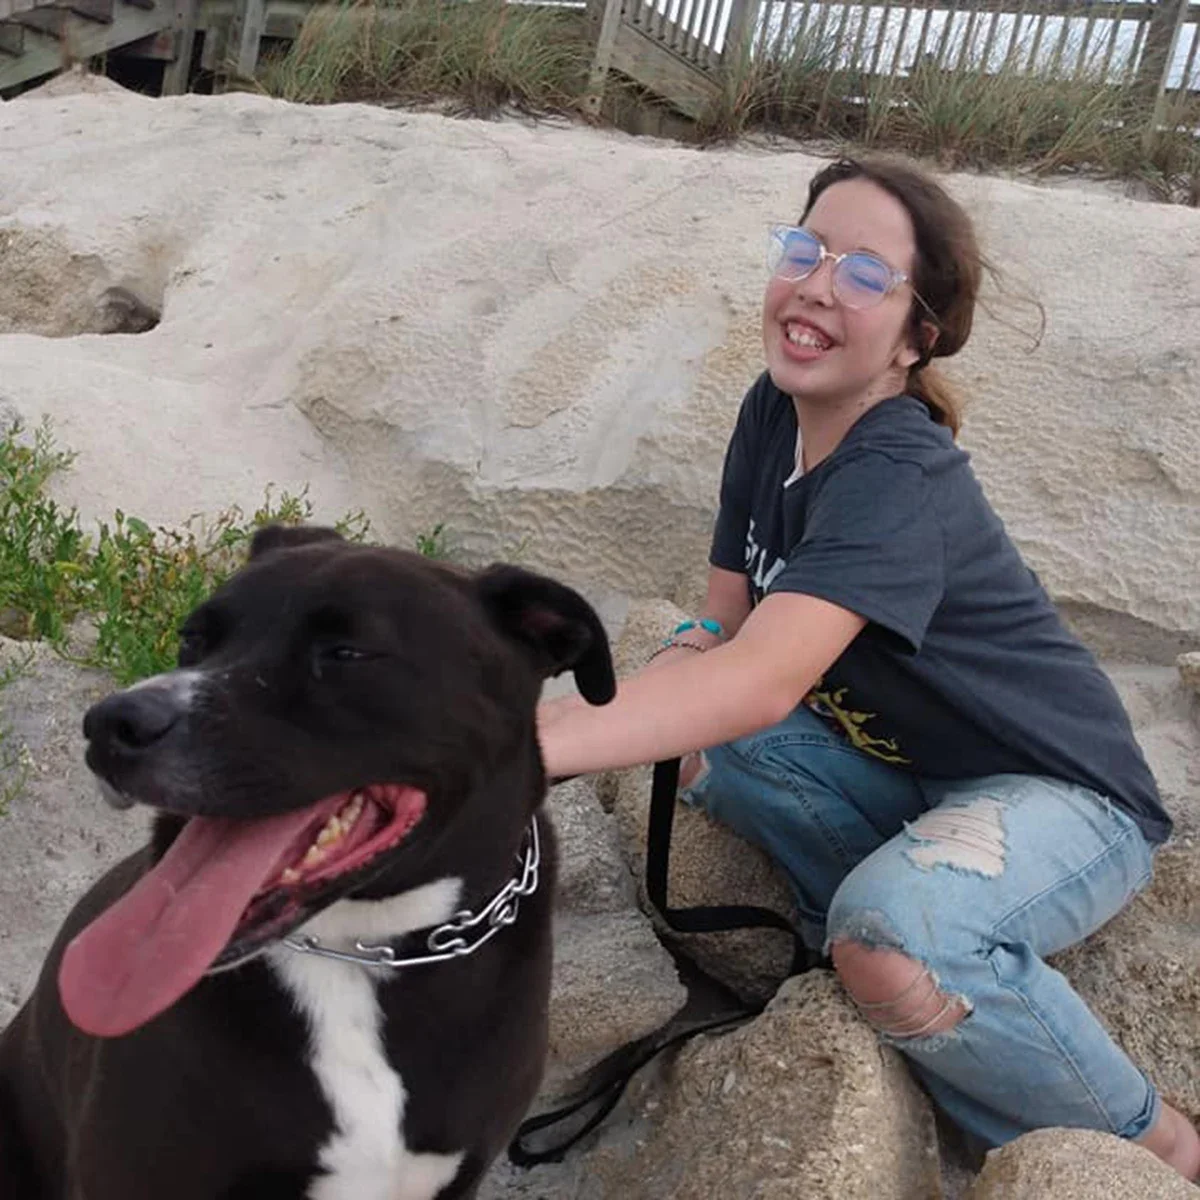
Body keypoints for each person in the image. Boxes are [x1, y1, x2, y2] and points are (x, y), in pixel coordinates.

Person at [536, 155, 1199, 1180]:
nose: (814, 283)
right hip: (915, 777)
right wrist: (643, 698)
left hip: (1061, 790)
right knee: (708, 751)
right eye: (805, 250)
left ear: (915, 335)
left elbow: (758, 682)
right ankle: (893, 940)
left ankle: (1160, 1144)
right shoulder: (772, 414)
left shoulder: (897, 473)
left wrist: (530, 745)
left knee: (890, 941)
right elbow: (725, 631)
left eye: (863, 274)